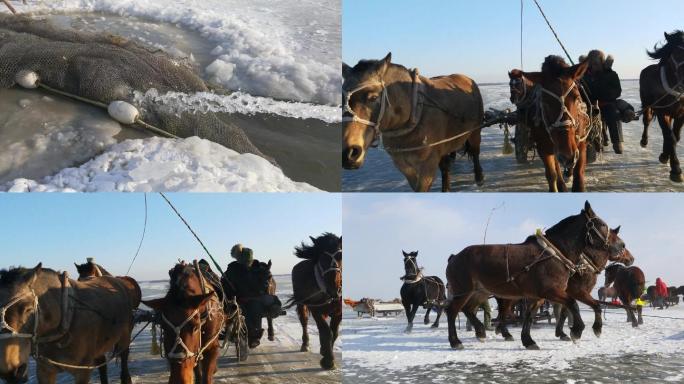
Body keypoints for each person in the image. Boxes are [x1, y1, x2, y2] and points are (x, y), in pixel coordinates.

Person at [580, 50, 628, 154]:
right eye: (592, 63)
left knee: (614, 114)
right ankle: (588, 144)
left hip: (606, 104)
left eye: (596, 63)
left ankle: (617, 141)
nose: (594, 65)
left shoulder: (611, 74)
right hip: (589, 105)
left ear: (602, 62)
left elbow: (617, 91)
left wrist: (606, 95)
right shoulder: (583, 76)